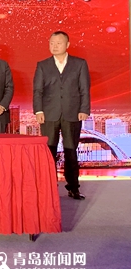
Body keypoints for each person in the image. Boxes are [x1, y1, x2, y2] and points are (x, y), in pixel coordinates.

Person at [33, 31, 90, 200]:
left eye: (58, 43)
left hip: (72, 113)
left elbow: (84, 89)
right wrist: (38, 111)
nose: (54, 46)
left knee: (71, 151)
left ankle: (73, 187)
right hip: (49, 114)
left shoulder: (79, 64)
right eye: (51, 43)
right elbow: (37, 90)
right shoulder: (42, 65)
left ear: (67, 45)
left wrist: (84, 109)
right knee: (49, 151)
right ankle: (49, 187)